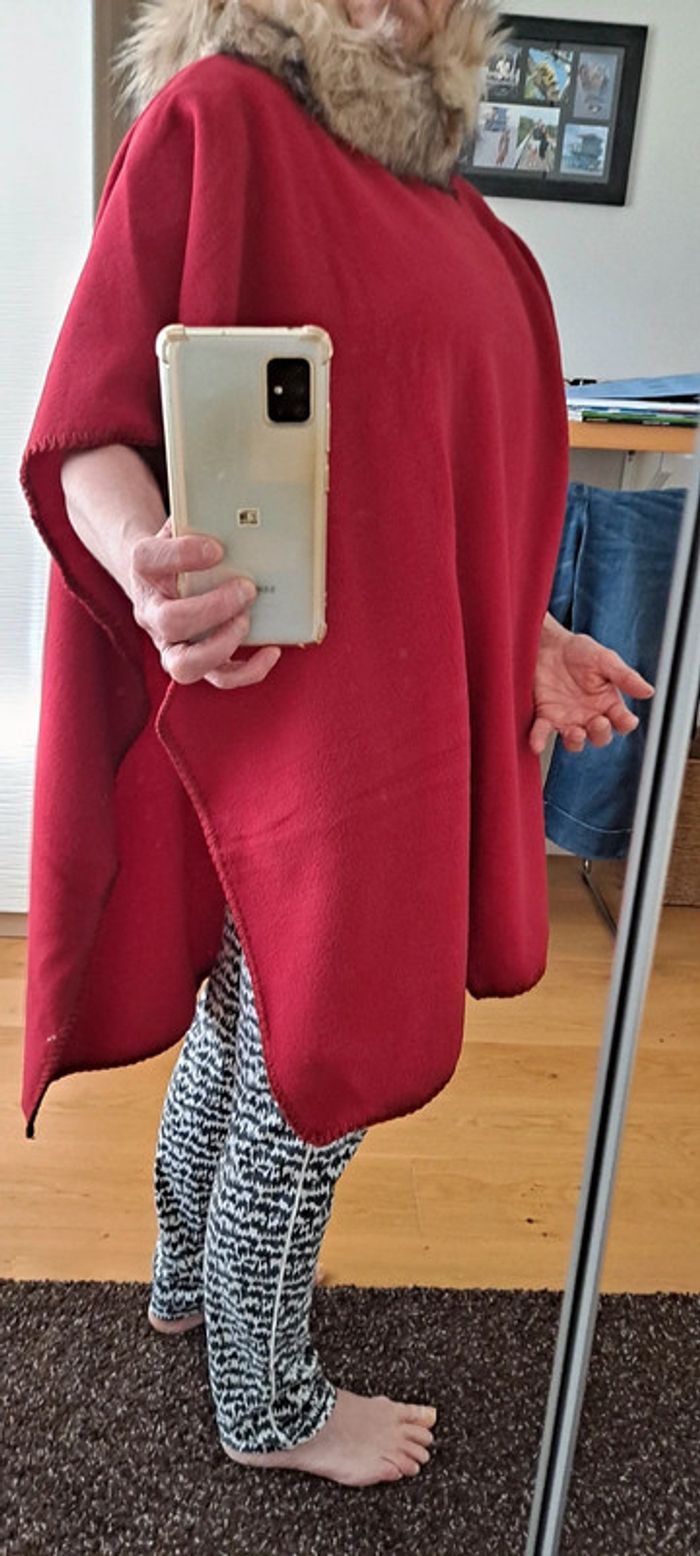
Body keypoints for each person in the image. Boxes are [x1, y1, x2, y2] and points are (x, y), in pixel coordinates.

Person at [20, 0, 654, 1490]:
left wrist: (527, 636)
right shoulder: (224, 121)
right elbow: (85, 425)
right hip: (294, 720)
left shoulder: (467, 225)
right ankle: (268, 1403)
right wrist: (147, 572)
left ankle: (186, 1283)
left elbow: (433, 493)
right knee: (319, 1060)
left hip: (398, 725)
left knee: (250, 1030)